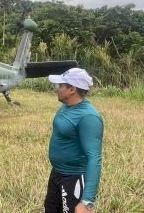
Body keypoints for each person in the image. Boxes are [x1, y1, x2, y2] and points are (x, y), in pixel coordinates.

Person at [45, 68, 104, 213]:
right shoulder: (66, 107)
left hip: (73, 178)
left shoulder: (89, 117)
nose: (57, 89)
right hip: (57, 173)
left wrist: (87, 201)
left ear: (72, 89)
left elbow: (94, 158)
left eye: (61, 86)